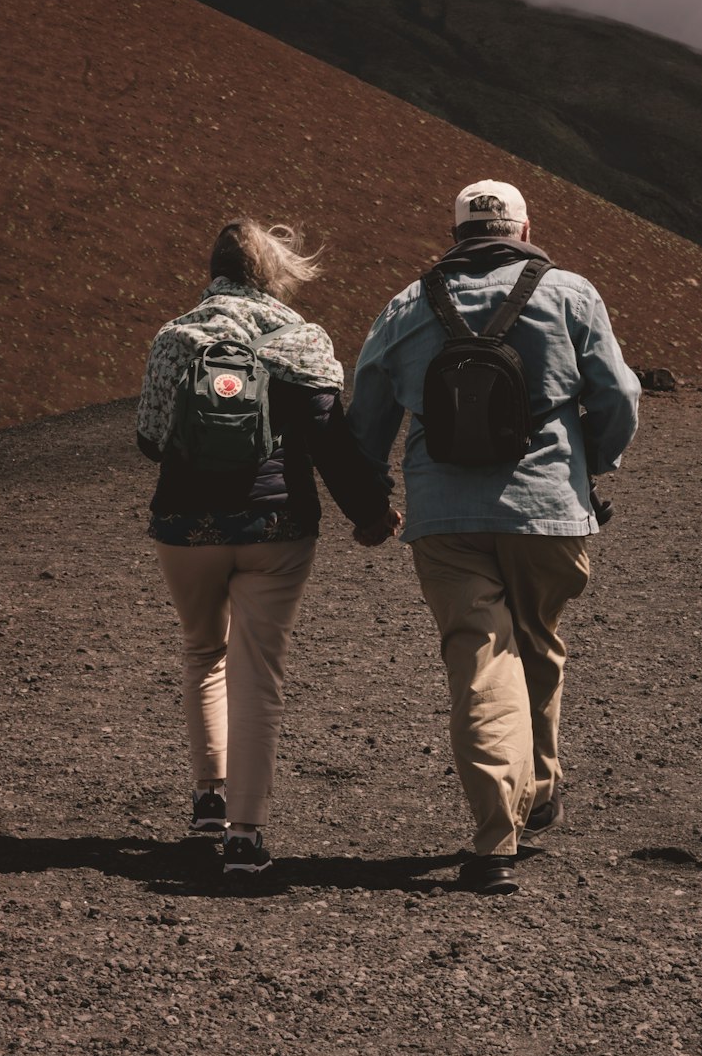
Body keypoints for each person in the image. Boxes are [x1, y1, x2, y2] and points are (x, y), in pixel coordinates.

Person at [347, 180, 640, 895]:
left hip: (445, 519)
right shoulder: (572, 294)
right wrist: (590, 464)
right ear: (523, 227)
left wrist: (372, 499)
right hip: (549, 512)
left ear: (455, 234)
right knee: (537, 641)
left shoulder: (406, 308)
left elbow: (366, 420)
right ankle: (536, 785)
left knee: (481, 662)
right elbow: (619, 395)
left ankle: (494, 837)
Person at [137, 219, 400, 878]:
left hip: (186, 527)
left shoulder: (176, 337)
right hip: (277, 528)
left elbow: (149, 439)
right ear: (275, 272)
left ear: (213, 270)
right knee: (259, 672)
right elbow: (329, 440)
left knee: (204, 653)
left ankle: (208, 803)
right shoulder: (303, 338)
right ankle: (246, 836)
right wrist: (369, 513)